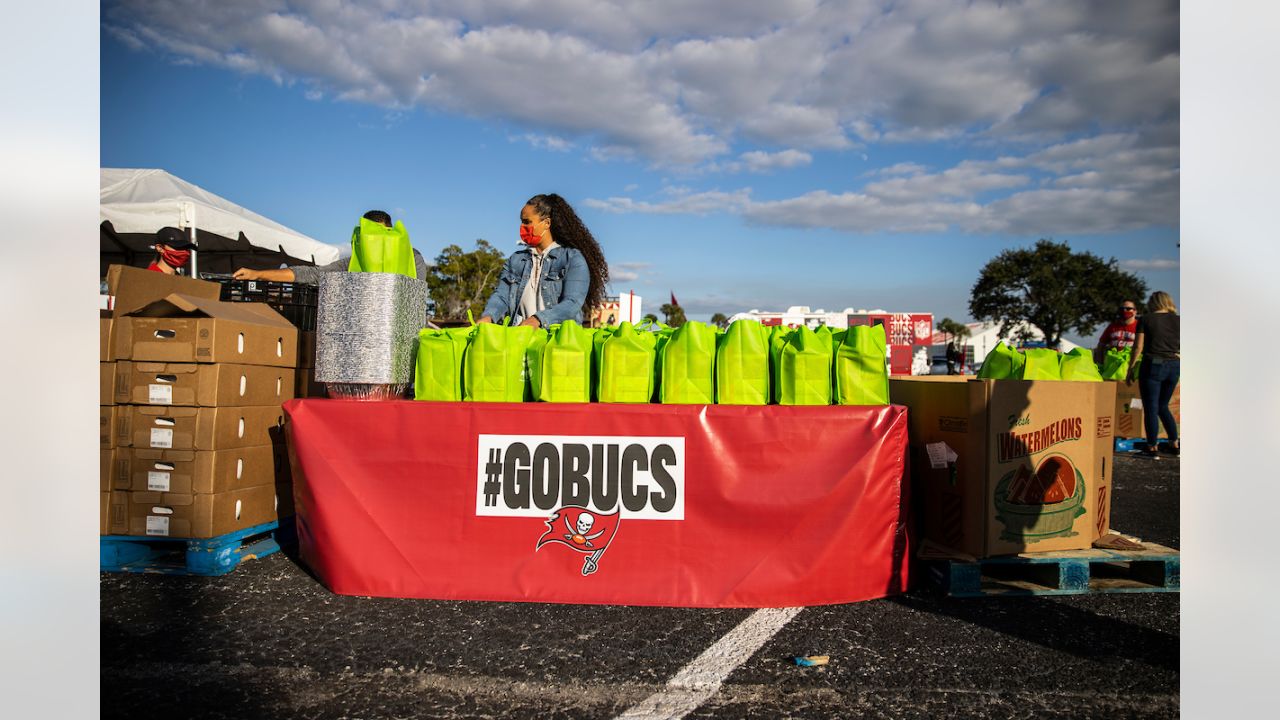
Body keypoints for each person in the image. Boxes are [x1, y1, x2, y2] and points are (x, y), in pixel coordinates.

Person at [479, 193, 608, 328]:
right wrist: (488, 317)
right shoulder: (515, 260)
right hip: (520, 340)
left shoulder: (572, 259)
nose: (522, 227)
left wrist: (537, 320)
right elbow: (501, 296)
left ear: (546, 223)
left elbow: (572, 303)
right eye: (522, 222)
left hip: (557, 342)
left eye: (527, 222)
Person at [232, 210, 429, 283]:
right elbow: (311, 274)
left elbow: (417, 296)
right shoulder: (352, 264)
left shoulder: (412, 258)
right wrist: (257, 274)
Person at [1128, 291, 1179, 458]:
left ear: (1153, 303)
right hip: (1174, 365)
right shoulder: (1179, 320)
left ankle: (1151, 447)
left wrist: (1131, 367)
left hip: (1153, 365)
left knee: (1151, 408)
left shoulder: (1145, 320)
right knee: (1163, 406)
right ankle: (1174, 443)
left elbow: (1138, 347)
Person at [1093, 299, 1140, 365]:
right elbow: (1100, 346)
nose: (1125, 311)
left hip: (1131, 365)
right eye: (1122, 309)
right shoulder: (1112, 326)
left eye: (1128, 309)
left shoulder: (1140, 326)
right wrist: (1099, 364)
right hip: (1112, 366)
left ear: (1135, 311)